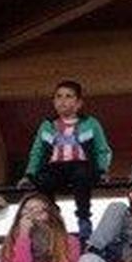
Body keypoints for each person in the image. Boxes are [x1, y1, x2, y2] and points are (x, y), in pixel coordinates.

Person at [20, 79, 112, 244]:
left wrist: (103, 170)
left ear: (78, 103)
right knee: (44, 179)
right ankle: (53, 220)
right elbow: (37, 151)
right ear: (54, 102)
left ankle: (84, 219)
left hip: (81, 165)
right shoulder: (47, 125)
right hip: (56, 166)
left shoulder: (91, 123)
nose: (63, 100)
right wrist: (29, 173)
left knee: (81, 175)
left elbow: (102, 149)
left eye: (69, 96)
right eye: (59, 96)